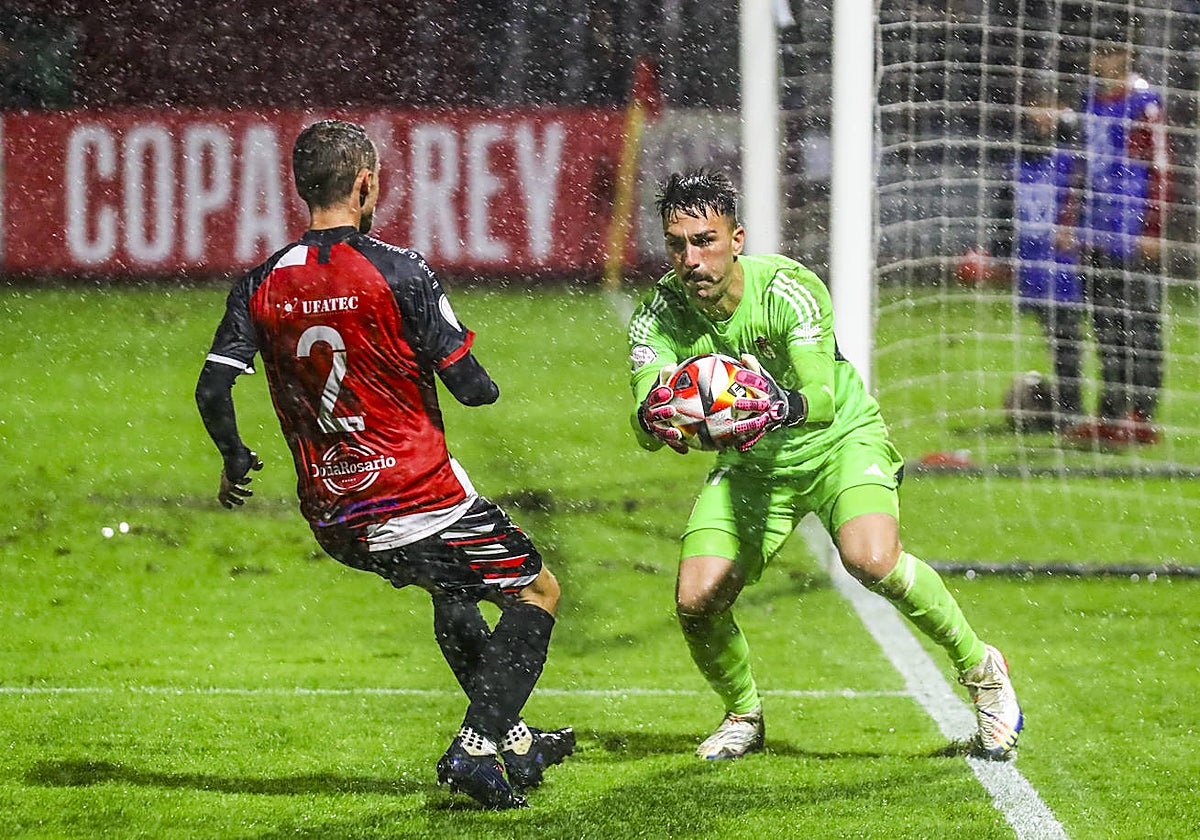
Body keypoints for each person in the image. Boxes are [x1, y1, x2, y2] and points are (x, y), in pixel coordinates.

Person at [195, 119, 572, 810]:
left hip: (337, 517)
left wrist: (234, 456)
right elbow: (473, 389)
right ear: (365, 183)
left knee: (453, 592)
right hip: (418, 497)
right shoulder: (399, 268)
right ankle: (475, 745)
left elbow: (214, 388)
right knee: (536, 589)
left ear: (302, 186)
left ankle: (514, 742)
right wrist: (451, 358)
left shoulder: (261, 282)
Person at [627, 169, 1023, 761]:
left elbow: (823, 398)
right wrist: (654, 419)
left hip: (840, 444)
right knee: (695, 601)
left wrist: (776, 405)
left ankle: (983, 670)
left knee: (871, 559)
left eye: (705, 240)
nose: (691, 259)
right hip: (753, 469)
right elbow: (643, 422)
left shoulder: (789, 288)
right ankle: (743, 714)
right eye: (677, 244)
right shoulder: (656, 316)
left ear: (737, 239)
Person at [1069, 31, 1171, 445]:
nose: (1100, 58)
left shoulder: (1144, 103)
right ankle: (1110, 412)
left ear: (1126, 55)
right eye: (1096, 51)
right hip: (1096, 230)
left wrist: (1153, 228)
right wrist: (1069, 221)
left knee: (1141, 324)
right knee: (1105, 325)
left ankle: (1140, 415)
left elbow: (1161, 168)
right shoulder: (1089, 102)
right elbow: (1081, 166)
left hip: (1132, 231)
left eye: (1108, 51)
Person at [1003, 80, 1086, 431]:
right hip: (1034, 262)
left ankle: (1073, 409)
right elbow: (1005, 205)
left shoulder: (1072, 152)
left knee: (1068, 338)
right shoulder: (1021, 152)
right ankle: (1064, 409)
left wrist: (1073, 227)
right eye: (1036, 105)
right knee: (1056, 337)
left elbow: (1080, 191)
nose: (1041, 113)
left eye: (1048, 105)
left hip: (1066, 263)